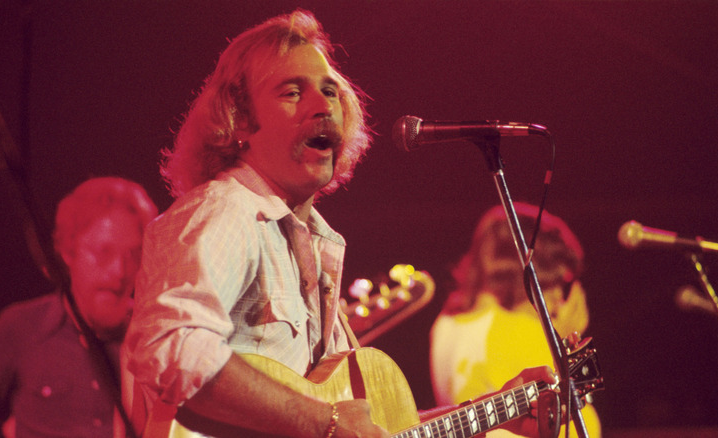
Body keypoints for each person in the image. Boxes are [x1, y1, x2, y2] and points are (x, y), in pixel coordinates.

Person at [123, 9, 556, 438]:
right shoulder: (228, 211)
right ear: (239, 120)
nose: (323, 106)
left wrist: (490, 412)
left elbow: (365, 430)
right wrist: (324, 423)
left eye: (330, 92)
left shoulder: (311, 240)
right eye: (292, 92)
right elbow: (171, 347)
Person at [0, 176, 158, 438]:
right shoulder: (19, 328)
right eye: (104, 252)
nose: (119, 271)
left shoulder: (151, 337)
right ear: (68, 251)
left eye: (134, 254)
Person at [429, 203, 602, 437]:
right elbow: (580, 427)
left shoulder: (444, 325)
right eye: (561, 284)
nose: (559, 301)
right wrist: (558, 346)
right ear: (538, 277)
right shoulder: (517, 329)